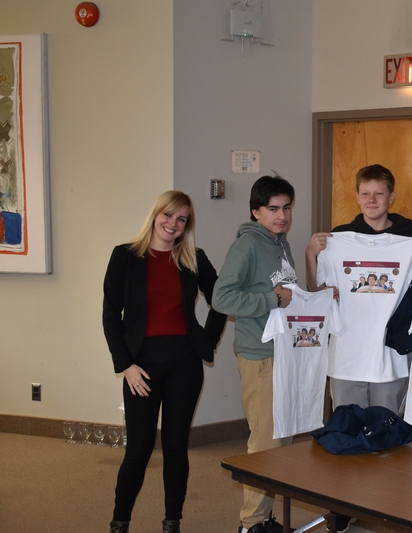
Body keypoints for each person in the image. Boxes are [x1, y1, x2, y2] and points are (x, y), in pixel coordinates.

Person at [305, 163, 412, 533]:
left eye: (379, 193)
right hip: (346, 355)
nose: (372, 200)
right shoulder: (338, 239)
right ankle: (342, 507)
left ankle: (385, 507)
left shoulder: (410, 239)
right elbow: (316, 291)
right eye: (366, 193)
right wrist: (311, 255)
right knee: (345, 433)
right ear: (357, 196)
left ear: (391, 196)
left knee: (386, 439)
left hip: (390, 358)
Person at [102, 191, 226, 533]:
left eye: (181, 219)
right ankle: (120, 522)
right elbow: (111, 315)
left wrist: (207, 340)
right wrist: (126, 366)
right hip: (141, 368)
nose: (173, 224)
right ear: (156, 215)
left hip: (185, 365)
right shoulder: (125, 256)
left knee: (175, 447)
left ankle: (173, 522)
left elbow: (222, 298)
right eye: (168, 215)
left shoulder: (193, 259)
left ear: (187, 225)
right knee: (138, 450)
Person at [212, 175, 297, 533]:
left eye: (287, 208)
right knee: (265, 442)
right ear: (256, 211)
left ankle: (265, 517)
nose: (282, 215)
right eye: (273, 209)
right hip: (260, 355)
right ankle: (251, 524)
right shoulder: (247, 245)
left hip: (283, 352)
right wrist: (271, 298)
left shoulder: (280, 243)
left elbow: (286, 294)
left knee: (280, 440)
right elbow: (222, 298)